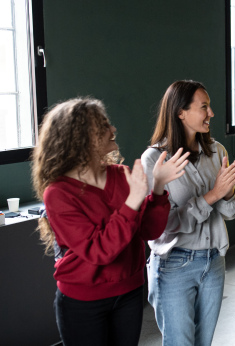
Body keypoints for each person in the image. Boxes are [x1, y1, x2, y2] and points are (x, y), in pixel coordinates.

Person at [32, 97, 189, 346]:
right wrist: (133, 201)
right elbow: (99, 251)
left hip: (128, 293)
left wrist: (158, 187)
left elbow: (148, 230)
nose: (113, 129)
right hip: (82, 301)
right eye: (103, 125)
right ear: (81, 137)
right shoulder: (59, 193)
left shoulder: (120, 175)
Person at [141, 80, 235, 346]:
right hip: (173, 266)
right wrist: (213, 193)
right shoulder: (154, 161)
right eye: (204, 107)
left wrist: (227, 191)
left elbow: (231, 211)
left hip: (214, 261)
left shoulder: (217, 152)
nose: (211, 113)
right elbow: (163, 225)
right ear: (181, 112)